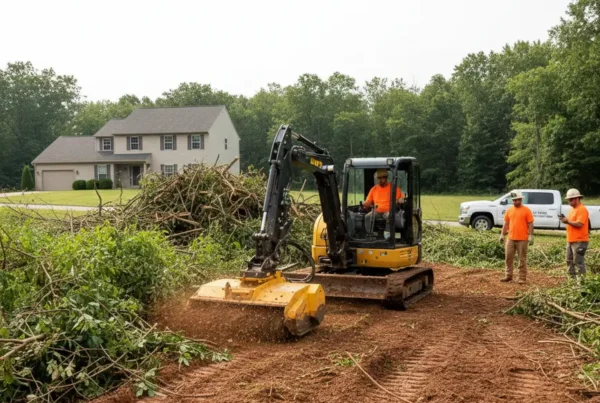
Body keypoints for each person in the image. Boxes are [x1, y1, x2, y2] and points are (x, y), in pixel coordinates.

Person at [499, 190, 534, 284]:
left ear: (521, 200)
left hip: (522, 239)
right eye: (514, 200)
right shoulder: (509, 210)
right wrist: (502, 234)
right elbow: (506, 223)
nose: (515, 202)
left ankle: (522, 278)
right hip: (510, 238)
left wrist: (531, 235)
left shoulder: (526, 210)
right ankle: (508, 275)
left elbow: (530, 223)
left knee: (522, 259)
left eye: (517, 200)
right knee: (508, 257)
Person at [363, 169, 403, 235]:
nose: (379, 180)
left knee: (390, 216)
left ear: (386, 178)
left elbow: (401, 197)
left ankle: (387, 235)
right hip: (377, 211)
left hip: (388, 211)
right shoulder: (374, 189)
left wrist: (401, 199)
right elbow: (368, 201)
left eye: (381, 178)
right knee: (367, 216)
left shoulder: (393, 188)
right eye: (378, 178)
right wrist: (365, 203)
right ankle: (369, 234)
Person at [560, 188, 589, 279]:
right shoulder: (572, 209)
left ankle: (581, 285)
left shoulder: (582, 209)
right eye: (568, 200)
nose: (569, 201)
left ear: (577, 199)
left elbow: (579, 224)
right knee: (569, 261)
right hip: (571, 240)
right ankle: (572, 284)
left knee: (578, 263)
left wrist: (567, 221)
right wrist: (567, 221)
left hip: (579, 241)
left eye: (570, 199)